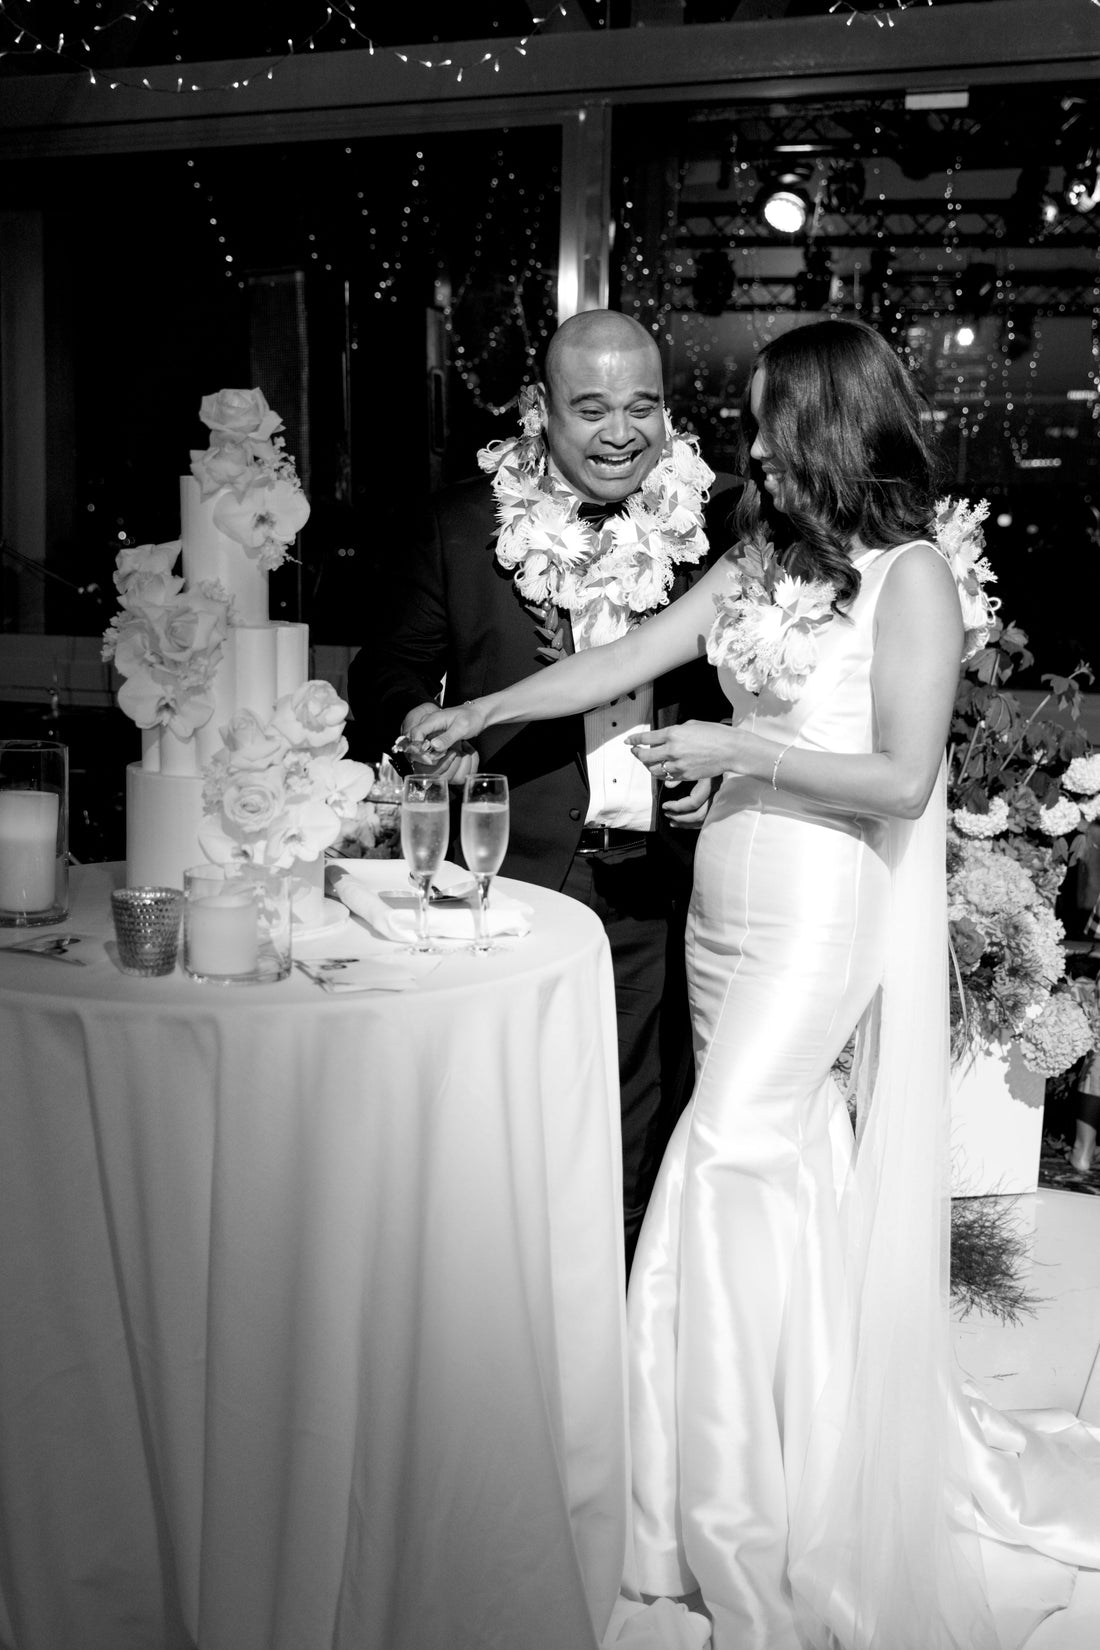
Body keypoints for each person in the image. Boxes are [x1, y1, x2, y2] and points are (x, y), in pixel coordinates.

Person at [410, 319, 1100, 1650]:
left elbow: (902, 778)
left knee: (719, 1154)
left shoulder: (912, 579)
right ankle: (786, 1446)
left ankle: (706, 1507)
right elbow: (627, 655)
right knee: (771, 1173)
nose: (752, 444)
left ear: (834, 426)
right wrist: (482, 713)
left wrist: (744, 747)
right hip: (730, 897)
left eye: (775, 420)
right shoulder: (768, 555)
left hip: (821, 908)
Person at [348, 310, 735, 1272]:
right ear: (539, 409)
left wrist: (727, 760)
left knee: (636, 1125)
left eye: (643, 407)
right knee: (496, 1120)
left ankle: (615, 1337)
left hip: (658, 877)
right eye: (592, 407)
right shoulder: (460, 526)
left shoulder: (720, 520)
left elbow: (769, 681)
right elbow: (386, 676)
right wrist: (417, 733)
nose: (620, 432)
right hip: (505, 877)